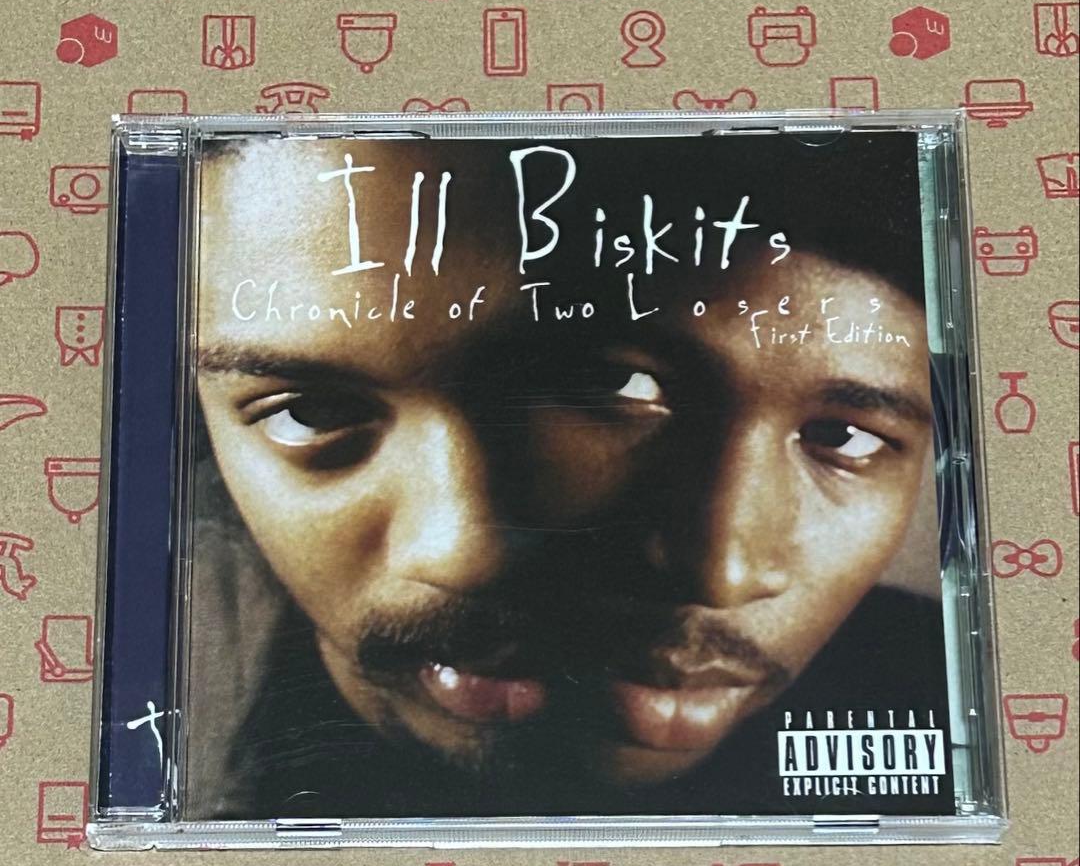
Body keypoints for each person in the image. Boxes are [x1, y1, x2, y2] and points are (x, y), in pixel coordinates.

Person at [185, 129, 952, 820]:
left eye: (841, 437)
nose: (723, 574)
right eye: (313, 413)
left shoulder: (961, 707)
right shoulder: (169, 742)